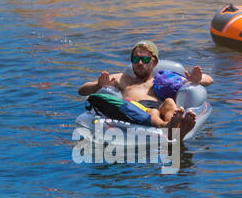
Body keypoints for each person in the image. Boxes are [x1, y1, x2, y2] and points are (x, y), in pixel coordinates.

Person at [76, 41, 208, 136]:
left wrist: (195, 80)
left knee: (169, 102)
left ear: (154, 62)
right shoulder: (123, 79)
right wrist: (97, 85)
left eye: (144, 59)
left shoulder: (164, 79)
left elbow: (209, 80)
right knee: (153, 112)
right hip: (135, 109)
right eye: (135, 59)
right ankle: (168, 127)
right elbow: (82, 90)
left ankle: (176, 127)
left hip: (158, 107)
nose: (139, 63)